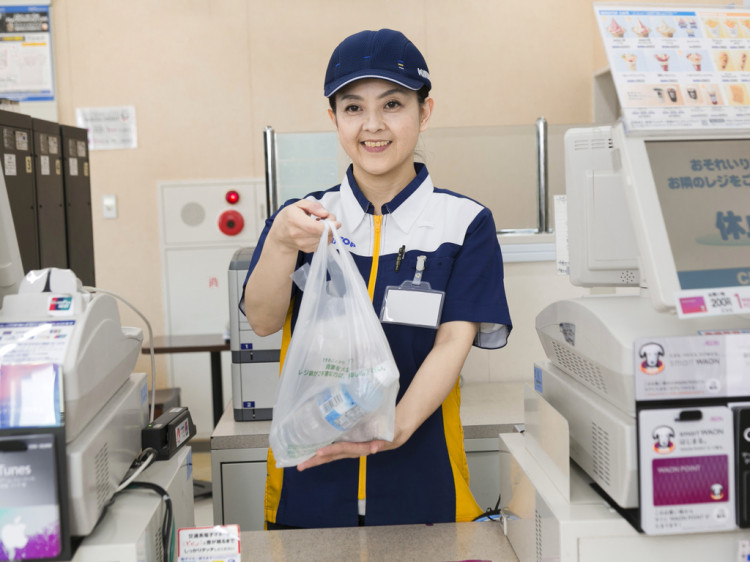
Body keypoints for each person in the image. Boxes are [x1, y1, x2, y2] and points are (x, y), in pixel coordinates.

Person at [242, 28, 512, 529]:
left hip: (422, 484)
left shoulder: (463, 223)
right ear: (333, 118)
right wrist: (280, 242)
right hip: (310, 486)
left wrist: (395, 428)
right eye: (352, 108)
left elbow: (454, 341)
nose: (372, 126)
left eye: (392, 104)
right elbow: (261, 321)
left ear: (424, 112)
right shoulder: (304, 219)